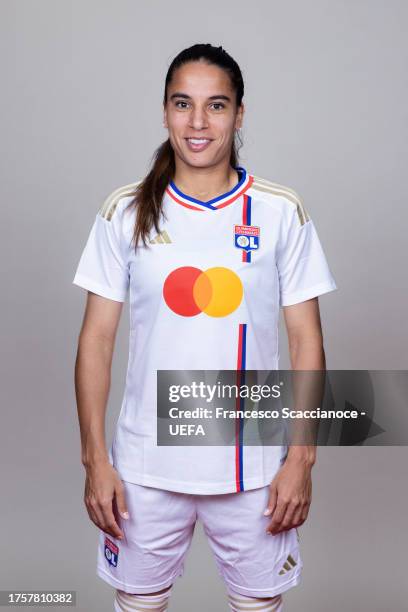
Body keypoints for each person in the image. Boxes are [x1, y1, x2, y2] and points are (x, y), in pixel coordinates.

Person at [72, 43, 337, 612]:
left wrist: (300, 459)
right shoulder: (123, 211)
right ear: (164, 110)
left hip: (257, 471)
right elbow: (96, 341)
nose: (197, 122)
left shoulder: (279, 210)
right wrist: (96, 460)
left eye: (216, 105)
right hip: (143, 468)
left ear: (240, 114)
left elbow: (306, 340)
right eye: (182, 103)